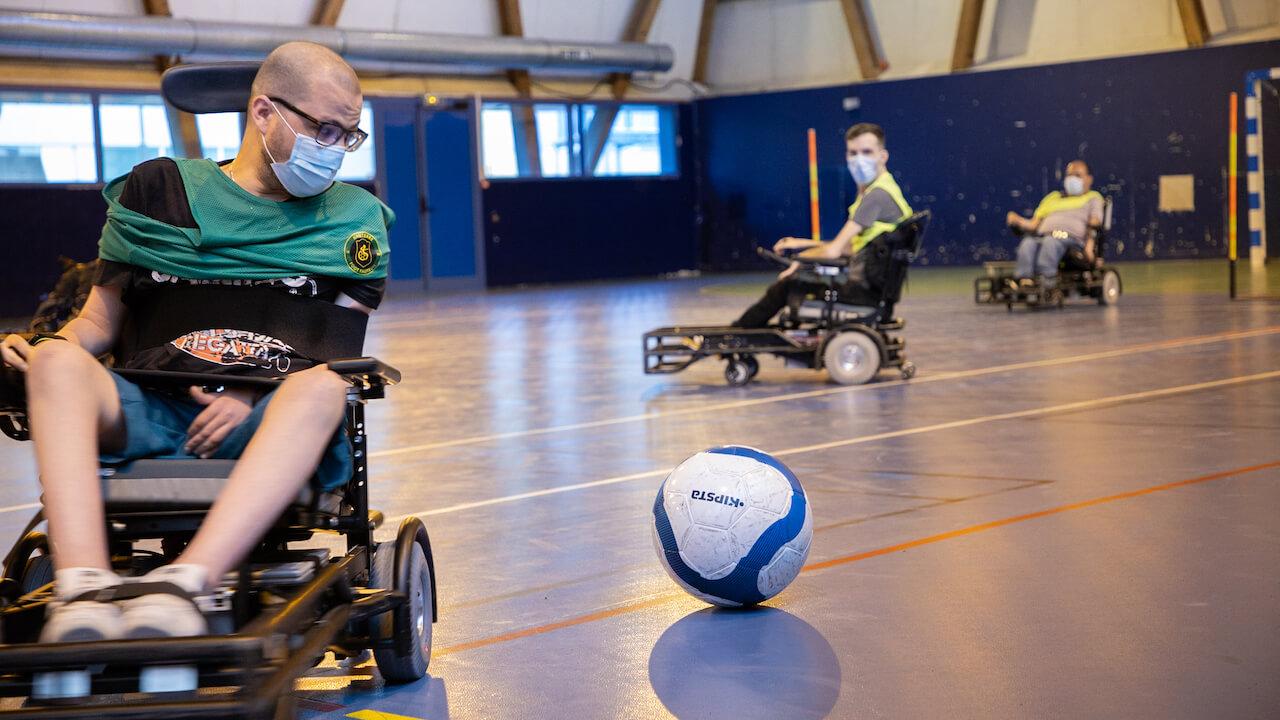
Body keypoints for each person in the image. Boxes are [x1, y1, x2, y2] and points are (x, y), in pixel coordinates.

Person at [0, 42, 393, 693]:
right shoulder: (158, 192)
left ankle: (186, 587)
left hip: (269, 411)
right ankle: (83, 592)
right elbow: (96, 325)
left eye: (348, 133)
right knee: (55, 364)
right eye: (324, 127)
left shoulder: (354, 222)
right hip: (148, 406)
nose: (335, 145)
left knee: (326, 387)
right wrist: (43, 349)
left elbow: (333, 347)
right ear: (263, 112)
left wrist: (245, 390)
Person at [733, 122, 912, 328]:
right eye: (853, 153)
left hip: (863, 295)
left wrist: (798, 262)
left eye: (866, 152)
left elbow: (835, 251)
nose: (859, 159)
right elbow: (850, 246)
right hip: (871, 291)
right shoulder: (883, 190)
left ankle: (737, 333)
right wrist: (803, 244)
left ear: (883, 156)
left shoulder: (876, 197)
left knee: (787, 286)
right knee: (794, 284)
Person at [1006, 160, 1105, 288]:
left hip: (1071, 240)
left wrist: (1090, 247)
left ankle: (1047, 280)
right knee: (1028, 242)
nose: (1072, 179)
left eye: (1078, 175)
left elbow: (1096, 222)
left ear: (1089, 179)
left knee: (1050, 242)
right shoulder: (1052, 198)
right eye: (1069, 175)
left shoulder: (1093, 198)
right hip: (1043, 236)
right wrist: (1017, 220)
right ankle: (1024, 280)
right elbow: (1033, 225)